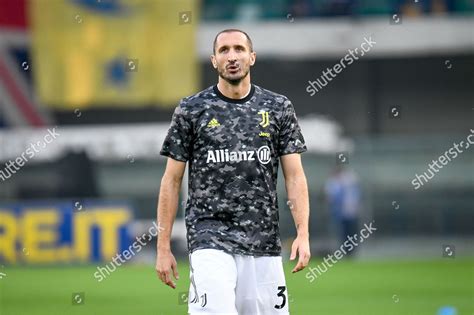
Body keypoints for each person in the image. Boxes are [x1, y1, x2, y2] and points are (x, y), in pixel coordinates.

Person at [155, 29, 311, 315]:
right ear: (214, 60)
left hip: (263, 241)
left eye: (239, 49)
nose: (232, 56)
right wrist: (162, 247)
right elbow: (171, 179)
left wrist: (303, 233)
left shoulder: (278, 108)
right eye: (224, 50)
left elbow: (295, 176)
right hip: (208, 238)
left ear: (252, 57)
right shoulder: (191, 110)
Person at [324, 165, 361, 256]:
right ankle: (346, 250)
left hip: (351, 213)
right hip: (341, 214)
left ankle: (351, 251)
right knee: (343, 233)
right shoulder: (334, 184)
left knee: (351, 233)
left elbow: (356, 196)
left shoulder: (349, 183)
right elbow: (332, 198)